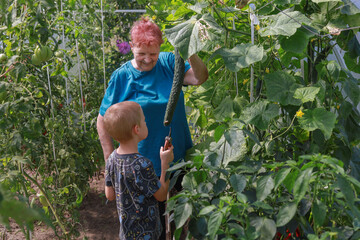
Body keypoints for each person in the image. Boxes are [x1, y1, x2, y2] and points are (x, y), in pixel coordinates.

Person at [97, 16, 208, 239]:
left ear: (160, 49)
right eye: (141, 54)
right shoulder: (122, 76)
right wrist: (110, 159)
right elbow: (102, 118)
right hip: (141, 162)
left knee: (181, 220)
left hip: (176, 156)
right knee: (150, 221)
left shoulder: (169, 63)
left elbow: (199, 78)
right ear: (132, 48)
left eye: (153, 54)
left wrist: (189, 50)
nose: (148, 59)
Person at [104, 101, 174, 240]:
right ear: (137, 129)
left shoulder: (111, 159)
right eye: (144, 121)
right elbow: (161, 196)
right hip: (147, 233)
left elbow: (110, 195)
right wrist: (165, 163)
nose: (146, 123)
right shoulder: (142, 164)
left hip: (126, 233)